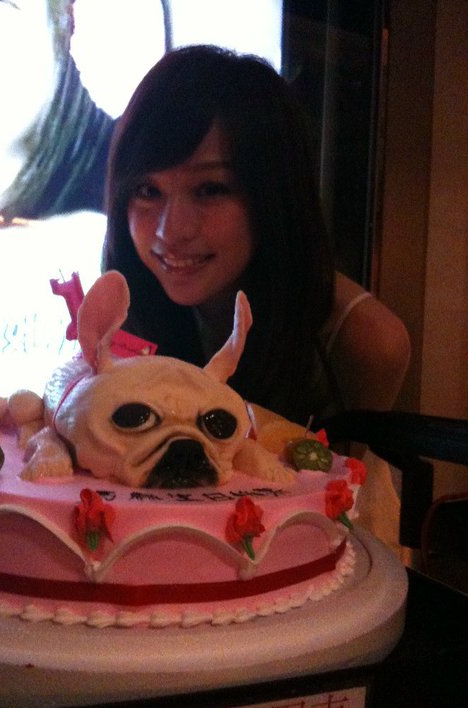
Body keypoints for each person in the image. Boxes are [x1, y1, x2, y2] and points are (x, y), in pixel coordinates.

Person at [102, 45, 411, 427]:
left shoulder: (364, 342)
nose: (171, 231)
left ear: (273, 193)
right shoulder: (126, 310)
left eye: (210, 189)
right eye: (148, 191)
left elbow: (340, 468)